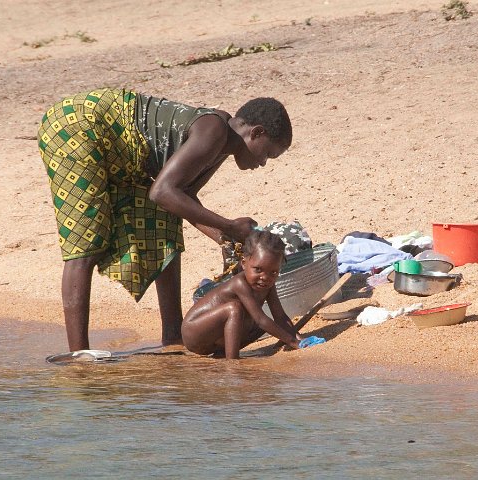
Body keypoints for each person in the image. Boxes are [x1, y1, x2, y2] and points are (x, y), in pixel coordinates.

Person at [38, 88, 292, 352]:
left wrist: (224, 239)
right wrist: (229, 226)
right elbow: (161, 192)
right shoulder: (213, 131)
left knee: (164, 221)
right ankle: (79, 356)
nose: (262, 163)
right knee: (85, 241)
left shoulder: (222, 139)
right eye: (268, 154)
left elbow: (184, 196)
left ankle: (173, 336)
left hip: (118, 148)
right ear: (257, 132)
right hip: (78, 126)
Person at [181, 230, 302, 359]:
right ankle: (233, 363)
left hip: (215, 340)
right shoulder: (239, 283)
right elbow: (260, 320)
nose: (265, 277)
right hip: (194, 333)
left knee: (267, 326)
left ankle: (224, 354)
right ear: (244, 263)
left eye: (273, 272)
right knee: (235, 308)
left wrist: (300, 339)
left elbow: (280, 317)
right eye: (258, 269)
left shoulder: (268, 286)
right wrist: (293, 342)